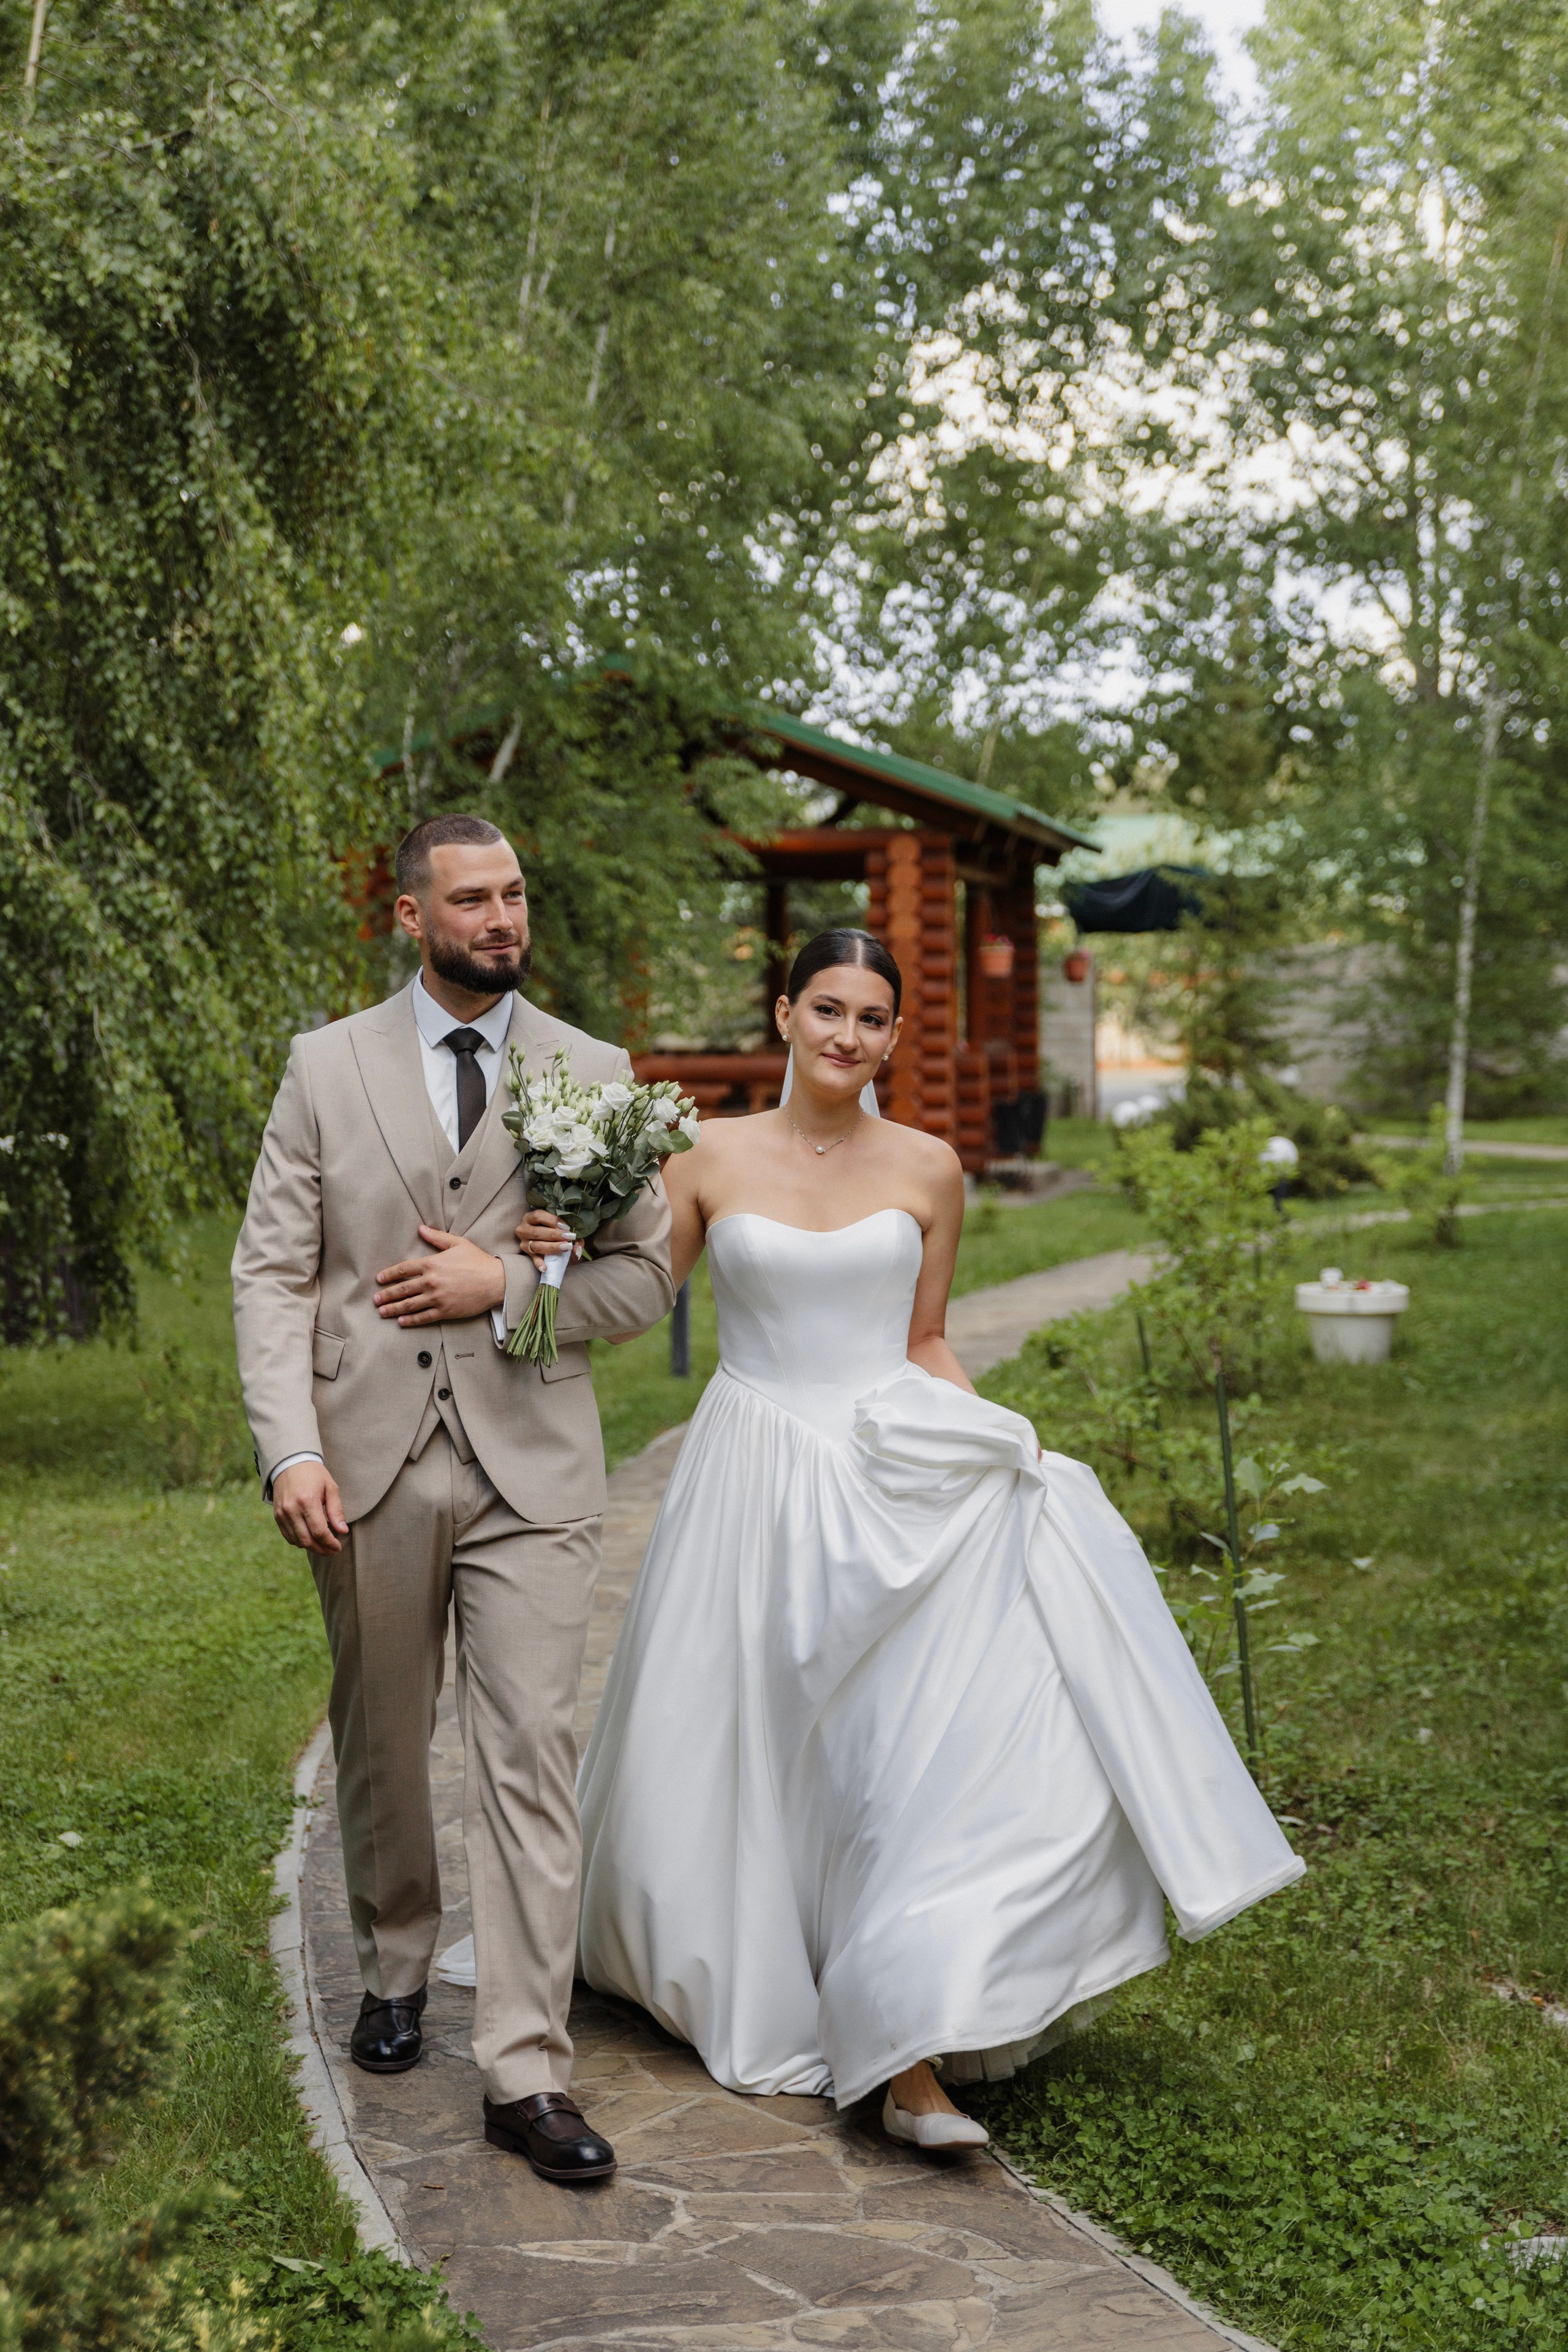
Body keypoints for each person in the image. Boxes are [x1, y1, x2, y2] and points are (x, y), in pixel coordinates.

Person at [519, 928, 1303, 2149]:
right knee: (762, 1743)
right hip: (751, 1468)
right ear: (781, 1015)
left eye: (870, 1017)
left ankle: (907, 2042)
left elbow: (924, 1335)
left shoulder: (931, 1167)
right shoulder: (705, 1153)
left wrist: (998, 1442)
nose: (845, 1035)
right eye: (823, 1008)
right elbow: (639, 1305)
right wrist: (539, 1272)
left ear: (892, 1036)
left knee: (923, 1750)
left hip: (887, 1464)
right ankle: (773, 1968)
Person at [231, 813, 673, 2186]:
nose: (503, 919)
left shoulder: (592, 1075)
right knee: (382, 1734)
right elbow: (273, 1273)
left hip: (531, 1466)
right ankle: (397, 1968)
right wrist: (288, 1448)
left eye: (515, 896)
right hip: (365, 1460)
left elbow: (645, 1279)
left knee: (530, 1753)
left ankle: (526, 2071)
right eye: (472, 899)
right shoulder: (326, 1065)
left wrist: (516, 1287)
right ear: (412, 916)